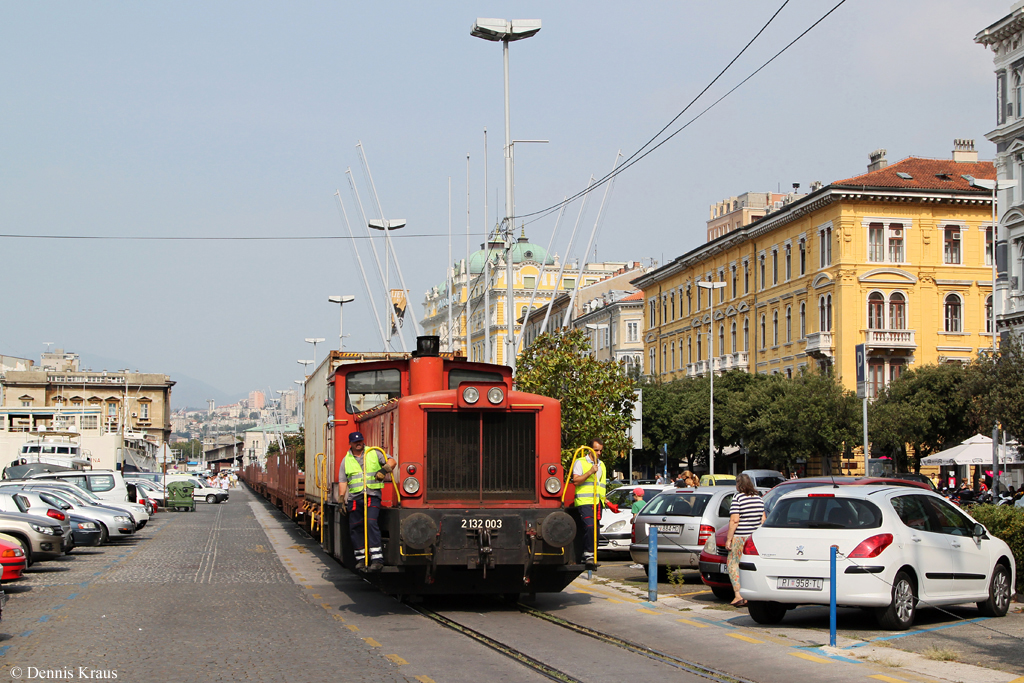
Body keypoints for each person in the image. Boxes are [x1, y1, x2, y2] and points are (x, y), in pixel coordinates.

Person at [338, 431, 396, 572]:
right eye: (356, 442)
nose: (359, 444)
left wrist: (384, 469)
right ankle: (360, 559)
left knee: (371, 523)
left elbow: (392, 461)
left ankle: (376, 559)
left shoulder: (374, 452)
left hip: (372, 495)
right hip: (355, 498)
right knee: (356, 527)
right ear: (350, 443)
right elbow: (343, 480)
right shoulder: (346, 460)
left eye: (361, 441)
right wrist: (341, 498)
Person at [726, 473, 765, 607]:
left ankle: (738, 595)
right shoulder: (759, 498)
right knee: (748, 566)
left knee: (732, 564)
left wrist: (729, 539)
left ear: (738, 484)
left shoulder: (738, 498)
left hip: (740, 537)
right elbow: (763, 519)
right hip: (754, 538)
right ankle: (750, 593)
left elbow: (734, 520)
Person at [572, 438, 608, 568]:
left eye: (600, 451)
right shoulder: (580, 462)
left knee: (596, 530)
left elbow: (601, 486)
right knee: (589, 527)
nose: (598, 453)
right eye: (596, 450)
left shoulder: (602, 465)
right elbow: (576, 481)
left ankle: (592, 554)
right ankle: (588, 555)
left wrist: (606, 501)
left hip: (597, 502)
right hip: (584, 501)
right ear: (590, 449)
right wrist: (590, 472)